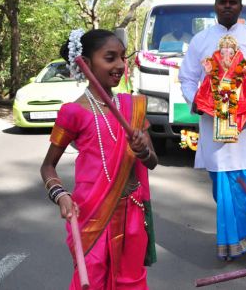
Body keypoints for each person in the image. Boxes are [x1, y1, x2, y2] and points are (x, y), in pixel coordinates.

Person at [40, 29, 158, 289]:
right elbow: (48, 166)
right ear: (87, 63)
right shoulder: (73, 112)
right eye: (110, 58)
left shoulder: (133, 107)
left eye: (122, 58)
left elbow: (152, 162)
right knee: (92, 281)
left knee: (132, 281)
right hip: (92, 215)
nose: (119, 65)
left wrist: (143, 152)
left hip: (132, 214)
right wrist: (61, 196)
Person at [178, 0, 246, 264]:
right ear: (215, 4)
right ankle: (232, 244)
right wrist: (194, 101)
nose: (227, 6)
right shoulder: (201, 40)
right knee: (220, 185)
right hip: (213, 127)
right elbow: (187, 78)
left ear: (240, 6)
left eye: (233, 2)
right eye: (223, 1)